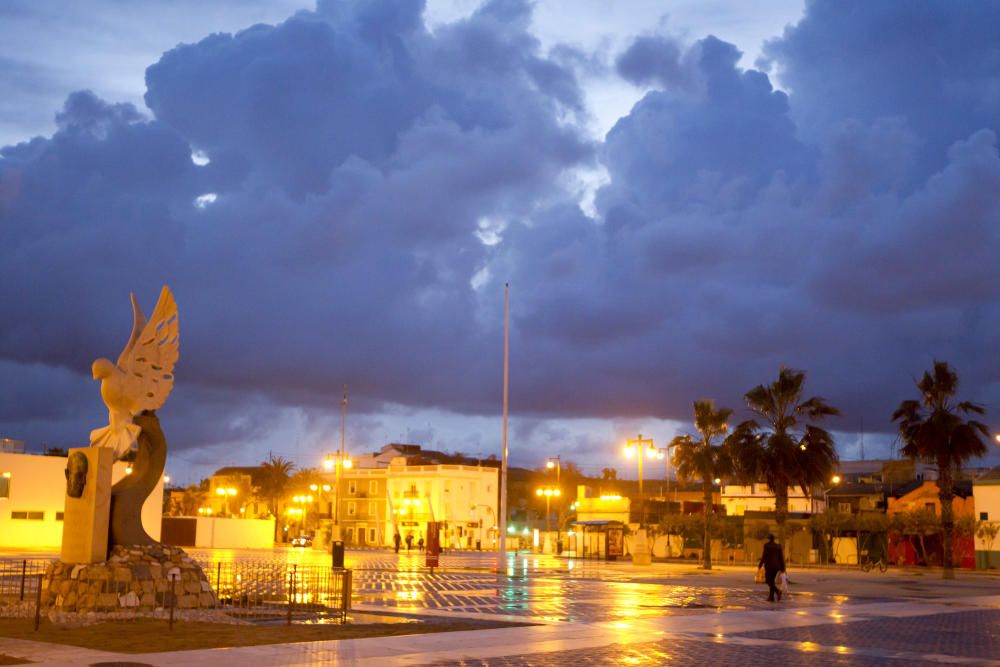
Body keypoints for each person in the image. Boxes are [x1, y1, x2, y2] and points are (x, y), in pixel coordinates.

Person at [758, 534, 786, 602]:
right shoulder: (778, 546)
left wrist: (760, 564)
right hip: (776, 566)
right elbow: (781, 557)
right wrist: (783, 567)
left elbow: (764, 555)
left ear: (769, 539)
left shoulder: (767, 545)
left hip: (769, 566)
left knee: (768, 581)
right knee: (772, 581)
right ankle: (771, 597)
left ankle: (777, 591)